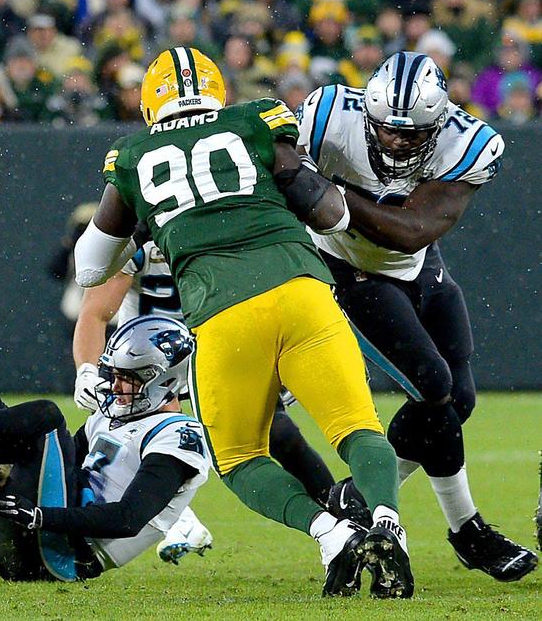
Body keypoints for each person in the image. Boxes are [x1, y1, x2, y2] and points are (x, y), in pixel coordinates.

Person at [72, 46, 410, 598]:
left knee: (239, 459)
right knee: (358, 430)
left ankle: (330, 534)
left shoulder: (133, 156)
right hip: (304, 290)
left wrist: (148, 223)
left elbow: (90, 267)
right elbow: (331, 213)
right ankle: (388, 526)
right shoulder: (256, 119)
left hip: (224, 314)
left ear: (149, 101)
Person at [296, 51, 539, 583]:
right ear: (367, 115)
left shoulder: (468, 142)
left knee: (459, 400)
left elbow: (413, 229)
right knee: (433, 386)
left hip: (415, 262)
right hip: (347, 270)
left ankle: (356, 497)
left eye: (413, 134)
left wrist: (329, 195)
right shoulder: (326, 115)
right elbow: (277, 174)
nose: (397, 143)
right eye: (385, 130)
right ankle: (468, 530)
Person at [0, 315, 211, 581]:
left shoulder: (179, 436)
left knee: (46, 415)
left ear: (167, 380)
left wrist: (41, 518)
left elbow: (127, 519)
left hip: (59, 558)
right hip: (14, 537)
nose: (117, 386)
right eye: (116, 374)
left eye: (131, 378)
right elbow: (56, 467)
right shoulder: (111, 416)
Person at [72, 226, 339, 515]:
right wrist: (87, 369)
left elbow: (263, 302)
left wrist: (281, 362)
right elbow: (96, 312)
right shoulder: (139, 233)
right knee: (119, 448)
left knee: (280, 433)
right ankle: (63, 520)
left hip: (214, 353)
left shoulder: (227, 226)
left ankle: (341, 514)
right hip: (145, 367)